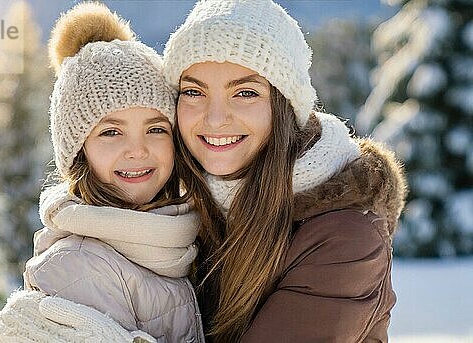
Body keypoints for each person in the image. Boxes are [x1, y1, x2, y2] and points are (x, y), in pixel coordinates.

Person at [161, 0, 408, 342]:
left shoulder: (345, 235)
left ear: (284, 106)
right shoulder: (182, 206)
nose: (215, 119)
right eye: (193, 91)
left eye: (245, 92)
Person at [0, 2, 212, 342]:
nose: (138, 150)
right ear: (78, 150)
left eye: (156, 129)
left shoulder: (179, 235)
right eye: (111, 132)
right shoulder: (78, 266)